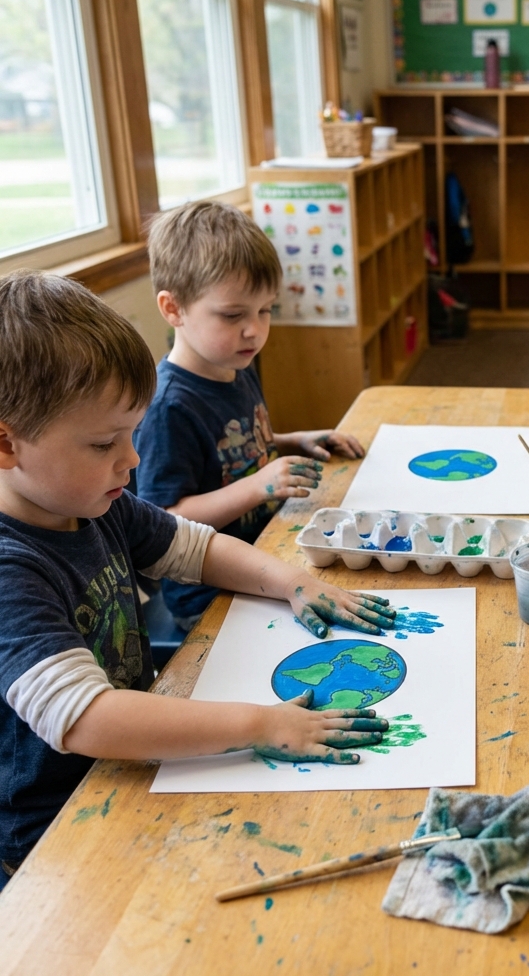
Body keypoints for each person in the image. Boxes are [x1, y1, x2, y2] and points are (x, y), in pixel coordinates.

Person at [0, 272, 395, 890]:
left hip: (137, 762)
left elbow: (195, 548)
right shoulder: (10, 569)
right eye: (105, 442)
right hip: (59, 822)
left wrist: (290, 580)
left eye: (131, 433)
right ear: (6, 443)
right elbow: (86, 719)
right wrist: (260, 725)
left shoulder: (91, 500)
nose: (131, 460)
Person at [135, 202, 365, 633]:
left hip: (266, 552)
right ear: (173, 309)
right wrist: (258, 486)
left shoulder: (233, 365)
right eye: (233, 315)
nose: (254, 330)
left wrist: (292, 440)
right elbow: (163, 521)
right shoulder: (168, 407)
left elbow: (230, 449)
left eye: (265, 311)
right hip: (208, 592)